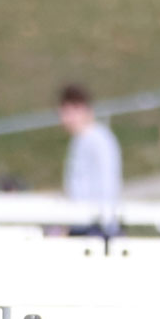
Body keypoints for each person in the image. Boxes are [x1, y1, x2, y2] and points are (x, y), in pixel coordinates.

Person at [58, 84, 121, 234]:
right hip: (81, 220)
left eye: (69, 112)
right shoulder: (79, 140)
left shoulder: (98, 138)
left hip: (96, 224)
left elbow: (108, 181)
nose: (65, 119)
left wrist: (105, 220)